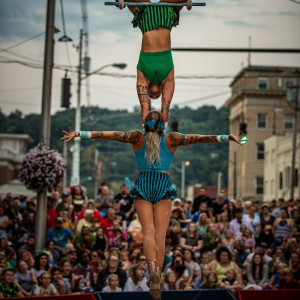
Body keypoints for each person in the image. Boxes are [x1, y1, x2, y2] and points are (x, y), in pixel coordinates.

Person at [61, 110, 241, 299]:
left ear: (144, 126)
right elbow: (200, 138)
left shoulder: (137, 137)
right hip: (163, 184)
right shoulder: (172, 139)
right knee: (160, 235)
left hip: (143, 183)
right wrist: (226, 137)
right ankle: (158, 275)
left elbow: (109, 135)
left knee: (147, 231)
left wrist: (79, 133)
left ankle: (152, 268)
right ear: (163, 127)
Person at [127, 0, 187, 128]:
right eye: (157, 95)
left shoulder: (143, 78)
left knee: (138, 6)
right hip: (165, 18)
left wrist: (146, 129)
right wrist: (162, 129)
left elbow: (144, 107)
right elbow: (165, 109)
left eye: (151, 95)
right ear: (161, 90)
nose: (154, 95)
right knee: (171, 5)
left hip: (147, 20)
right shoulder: (167, 78)